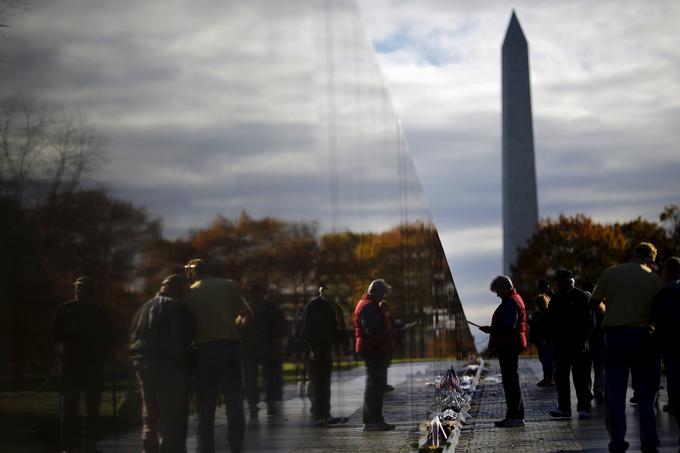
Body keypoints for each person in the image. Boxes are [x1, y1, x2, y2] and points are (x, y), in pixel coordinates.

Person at [590, 242, 665, 453]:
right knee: (645, 395)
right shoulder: (654, 280)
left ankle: (617, 442)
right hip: (643, 338)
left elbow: (595, 301)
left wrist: (608, 312)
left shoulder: (611, 273)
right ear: (651, 259)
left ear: (633, 254)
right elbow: (660, 312)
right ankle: (649, 442)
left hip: (614, 338)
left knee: (615, 394)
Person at [185, 259, 253, 453]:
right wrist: (235, 326)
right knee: (234, 403)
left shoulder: (190, 292)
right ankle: (236, 447)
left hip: (204, 352)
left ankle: (206, 448)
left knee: (205, 407)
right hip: (229, 349)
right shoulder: (228, 285)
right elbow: (247, 314)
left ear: (193, 273)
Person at [129, 274, 193, 453]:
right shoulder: (177, 308)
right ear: (180, 289)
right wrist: (187, 365)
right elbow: (180, 341)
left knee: (149, 413)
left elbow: (133, 335)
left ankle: (148, 448)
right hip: (167, 363)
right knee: (170, 412)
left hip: (141, 362)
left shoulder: (144, 307)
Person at [49, 276, 113, 453]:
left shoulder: (99, 312)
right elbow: (54, 332)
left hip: (93, 367)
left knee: (92, 410)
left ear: (90, 291)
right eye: (77, 288)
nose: (79, 291)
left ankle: (89, 446)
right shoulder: (66, 309)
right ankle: (68, 447)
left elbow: (108, 338)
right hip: (71, 366)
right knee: (69, 408)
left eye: (83, 288)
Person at [480, 275, 527, 428]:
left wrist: (491, 329)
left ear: (504, 287)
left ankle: (515, 416)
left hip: (509, 345)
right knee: (511, 380)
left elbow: (508, 326)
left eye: (497, 291)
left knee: (510, 382)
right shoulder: (515, 298)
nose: (497, 294)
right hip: (512, 344)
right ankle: (515, 415)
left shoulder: (510, 302)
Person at [545, 269, 593, 419]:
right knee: (562, 378)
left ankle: (582, 408)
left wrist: (582, 339)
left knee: (580, 379)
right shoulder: (556, 299)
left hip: (578, 345)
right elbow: (551, 323)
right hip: (562, 346)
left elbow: (589, 322)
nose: (557, 284)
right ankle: (565, 408)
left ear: (568, 281)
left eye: (559, 281)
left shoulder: (581, 297)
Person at [353, 279, 395, 432]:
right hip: (374, 348)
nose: (383, 298)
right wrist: (391, 332)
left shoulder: (365, 304)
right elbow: (373, 330)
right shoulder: (370, 306)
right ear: (377, 292)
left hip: (371, 347)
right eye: (382, 294)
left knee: (374, 385)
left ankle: (375, 420)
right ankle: (372, 421)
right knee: (374, 386)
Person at [240, 283, 287, 418]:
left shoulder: (245, 308)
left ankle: (253, 405)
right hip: (269, 348)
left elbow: (240, 327)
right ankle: (271, 403)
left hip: (249, 348)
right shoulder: (271, 307)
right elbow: (282, 326)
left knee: (250, 378)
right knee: (270, 377)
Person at [301, 285, 346, 426]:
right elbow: (308, 330)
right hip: (317, 349)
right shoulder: (317, 307)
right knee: (319, 383)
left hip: (324, 349)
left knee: (323, 383)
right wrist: (314, 348)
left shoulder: (329, 307)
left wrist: (338, 346)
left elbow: (335, 329)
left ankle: (324, 413)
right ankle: (320, 414)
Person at [653, 256, 680, 446]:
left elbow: (663, 320)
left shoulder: (668, 292)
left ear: (670, 271)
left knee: (676, 381)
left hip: (675, 345)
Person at [529, 279, 554, 387]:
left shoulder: (545, 314)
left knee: (547, 360)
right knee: (545, 360)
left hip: (545, 340)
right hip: (542, 340)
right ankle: (548, 378)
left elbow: (545, 327)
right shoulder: (540, 314)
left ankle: (549, 379)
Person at [583, 280, 605, 405]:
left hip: (587, 341)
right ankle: (599, 390)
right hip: (599, 340)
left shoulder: (583, 304)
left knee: (586, 369)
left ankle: (588, 392)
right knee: (599, 368)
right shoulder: (601, 304)